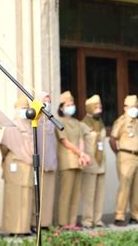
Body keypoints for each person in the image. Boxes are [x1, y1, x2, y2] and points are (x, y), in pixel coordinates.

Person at [56, 91, 91, 227]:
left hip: (78, 160)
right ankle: (63, 224)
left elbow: (81, 138)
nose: (71, 106)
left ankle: (72, 223)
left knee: (75, 194)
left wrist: (82, 154)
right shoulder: (59, 121)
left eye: (72, 104)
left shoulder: (77, 122)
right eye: (68, 104)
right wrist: (80, 153)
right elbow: (64, 141)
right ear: (61, 107)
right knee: (66, 193)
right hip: (67, 161)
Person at [0, 95, 33, 236]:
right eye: (23, 108)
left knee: (26, 197)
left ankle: (24, 228)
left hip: (28, 166)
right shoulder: (11, 126)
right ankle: (12, 229)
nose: (25, 111)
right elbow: (4, 147)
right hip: (14, 166)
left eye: (27, 108)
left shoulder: (31, 126)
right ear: (17, 109)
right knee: (13, 197)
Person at [110, 95, 138, 226]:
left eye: (136, 106)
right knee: (124, 187)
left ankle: (136, 215)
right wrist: (118, 153)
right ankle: (119, 215)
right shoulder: (121, 122)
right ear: (125, 108)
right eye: (132, 107)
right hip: (125, 157)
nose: (134, 109)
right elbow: (112, 139)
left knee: (137, 187)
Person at [80, 95, 107, 229]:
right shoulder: (83, 125)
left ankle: (98, 219)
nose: (99, 109)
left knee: (100, 193)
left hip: (101, 163)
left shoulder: (100, 123)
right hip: (90, 163)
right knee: (89, 194)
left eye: (100, 107)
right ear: (89, 108)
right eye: (96, 107)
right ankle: (87, 220)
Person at [33, 91, 58, 229]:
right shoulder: (34, 118)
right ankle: (34, 223)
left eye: (49, 100)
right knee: (37, 195)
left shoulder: (51, 120)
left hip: (50, 162)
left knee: (48, 194)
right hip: (38, 163)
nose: (47, 103)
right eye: (44, 100)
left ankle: (46, 223)